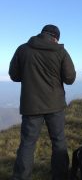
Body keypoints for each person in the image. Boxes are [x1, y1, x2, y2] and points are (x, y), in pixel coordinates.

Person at [9, 24, 76, 180]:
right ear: (55, 37)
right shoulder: (60, 51)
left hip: (31, 105)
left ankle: (20, 177)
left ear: (42, 33)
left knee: (27, 143)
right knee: (58, 141)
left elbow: (14, 75)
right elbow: (70, 78)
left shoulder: (23, 49)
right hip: (55, 105)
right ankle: (60, 176)